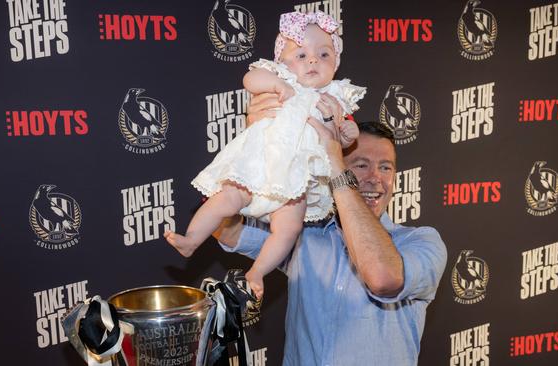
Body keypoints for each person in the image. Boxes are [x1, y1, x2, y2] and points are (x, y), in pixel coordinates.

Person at [214, 109, 448, 365]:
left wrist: (338, 169)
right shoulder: (305, 235)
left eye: (385, 167)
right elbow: (226, 229)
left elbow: (382, 278)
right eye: (361, 165)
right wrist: (261, 142)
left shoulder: (421, 242)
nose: (375, 178)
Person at [164, 11, 365, 299]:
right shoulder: (280, 79)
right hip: (259, 162)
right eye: (301, 55)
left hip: (297, 178)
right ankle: (191, 240)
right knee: (228, 199)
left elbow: (347, 126)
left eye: (324, 54)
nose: (312, 61)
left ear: (337, 62)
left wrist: (348, 134)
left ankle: (256, 272)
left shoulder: (335, 95)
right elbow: (251, 78)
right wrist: (276, 85)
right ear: (281, 61)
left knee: (289, 228)